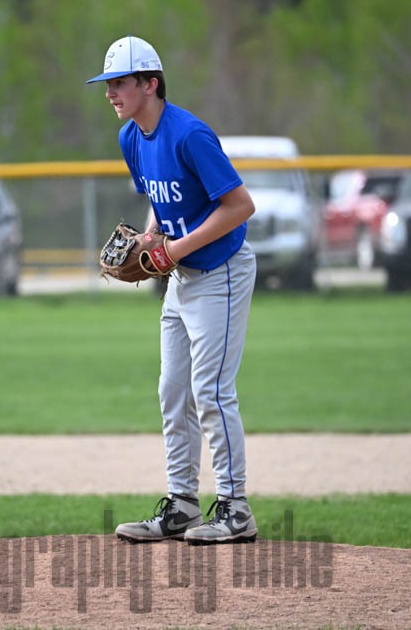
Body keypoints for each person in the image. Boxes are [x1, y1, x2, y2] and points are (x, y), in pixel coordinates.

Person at [86, 36, 259, 544]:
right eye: (107, 84)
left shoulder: (190, 135)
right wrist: (149, 239)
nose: (110, 93)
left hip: (222, 271)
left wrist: (174, 250)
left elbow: (240, 206)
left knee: (211, 391)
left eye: (119, 83)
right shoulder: (131, 138)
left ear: (150, 84)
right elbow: (161, 204)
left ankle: (235, 509)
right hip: (181, 277)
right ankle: (182, 505)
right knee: (172, 390)